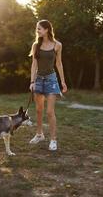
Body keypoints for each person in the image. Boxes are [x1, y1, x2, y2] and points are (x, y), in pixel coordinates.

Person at [28, 19, 68, 151]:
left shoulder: (57, 45)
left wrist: (62, 81)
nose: (37, 30)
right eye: (37, 28)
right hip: (38, 80)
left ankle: (53, 140)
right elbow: (34, 64)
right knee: (39, 110)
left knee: (50, 112)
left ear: (46, 29)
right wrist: (32, 82)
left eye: (39, 28)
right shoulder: (36, 45)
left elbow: (59, 63)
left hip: (51, 80)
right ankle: (39, 134)